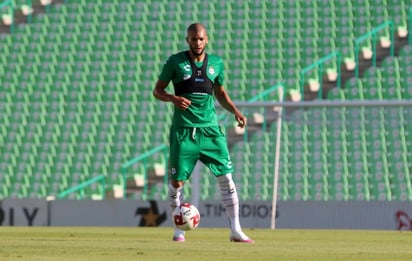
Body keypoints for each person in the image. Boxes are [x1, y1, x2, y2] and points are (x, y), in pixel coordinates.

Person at [153, 23, 254, 243]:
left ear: (206, 40)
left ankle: (236, 229)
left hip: (210, 131)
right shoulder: (175, 62)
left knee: (226, 177)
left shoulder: (216, 63)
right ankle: (178, 229)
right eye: (193, 39)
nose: (197, 43)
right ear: (187, 40)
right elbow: (157, 90)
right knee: (177, 182)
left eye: (200, 39)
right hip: (184, 131)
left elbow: (220, 92)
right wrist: (173, 98)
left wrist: (236, 111)